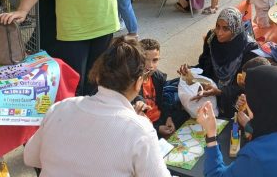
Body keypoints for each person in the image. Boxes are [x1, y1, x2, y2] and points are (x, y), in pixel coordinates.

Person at [24, 37, 172, 177]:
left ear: (98, 76)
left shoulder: (60, 108)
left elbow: (30, 157)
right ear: (139, 83)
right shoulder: (140, 130)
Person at [197, 66, 277, 177]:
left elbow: (215, 174)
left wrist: (211, 134)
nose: (246, 98)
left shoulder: (256, 156)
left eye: (250, 96)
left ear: (261, 105)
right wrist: (249, 125)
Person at [179, 7, 258, 118]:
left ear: (236, 29)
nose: (219, 33)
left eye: (225, 29)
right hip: (210, 90)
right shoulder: (212, 38)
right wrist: (190, 72)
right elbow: (204, 66)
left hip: (234, 96)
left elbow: (247, 85)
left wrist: (220, 91)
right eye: (217, 26)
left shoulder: (249, 48)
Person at [132, 38, 187, 139]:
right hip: (145, 125)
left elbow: (162, 102)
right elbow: (135, 120)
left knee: (186, 115)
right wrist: (157, 128)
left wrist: (168, 118)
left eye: (155, 60)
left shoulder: (158, 77)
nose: (150, 65)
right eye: (145, 60)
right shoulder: (132, 83)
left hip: (160, 119)